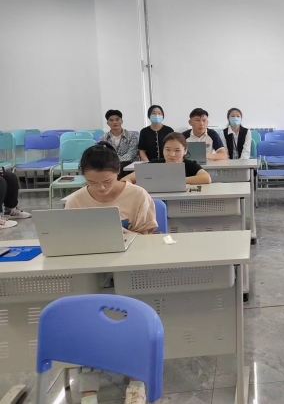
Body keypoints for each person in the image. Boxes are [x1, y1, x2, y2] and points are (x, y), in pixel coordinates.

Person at [65, 142, 156, 404]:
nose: (101, 188)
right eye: (92, 183)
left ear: (118, 172)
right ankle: (88, 388)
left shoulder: (137, 195)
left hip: (133, 271)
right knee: (85, 323)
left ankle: (136, 378)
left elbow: (151, 240)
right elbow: (67, 241)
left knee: (134, 320)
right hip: (91, 273)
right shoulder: (75, 201)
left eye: (107, 181)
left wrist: (126, 234)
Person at [124, 133, 211, 185]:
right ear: (163, 149)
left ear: (185, 151)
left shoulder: (190, 165)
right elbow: (125, 180)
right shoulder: (155, 164)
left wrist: (177, 181)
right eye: (168, 150)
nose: (172, 154)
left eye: (177, 150)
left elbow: (206, 178)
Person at [99, 109, 139, 178]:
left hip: (129, 168)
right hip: (111, 168)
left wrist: (116, 161)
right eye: (111, 120)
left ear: (122, 121)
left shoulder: (132, 136)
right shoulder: (103, 138)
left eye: (117, 120)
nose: (115, 122)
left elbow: (131, 154)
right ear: (107, 123)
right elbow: (103, 155)